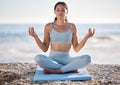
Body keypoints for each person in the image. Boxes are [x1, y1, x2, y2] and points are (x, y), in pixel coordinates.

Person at [28, 2, 95, 74]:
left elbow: (76, 48)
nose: (60, 12)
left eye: (63, 10)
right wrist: (35, 36)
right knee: (38, 58)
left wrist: (86, 37)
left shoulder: (72, 26)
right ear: (54, 12)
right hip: (52, 59)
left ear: (67, 11)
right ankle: (69, 69)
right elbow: (44, 49)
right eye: (58, 10)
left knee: (87, 58)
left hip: (67, 59)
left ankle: (57, 70)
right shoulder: (48, 26)